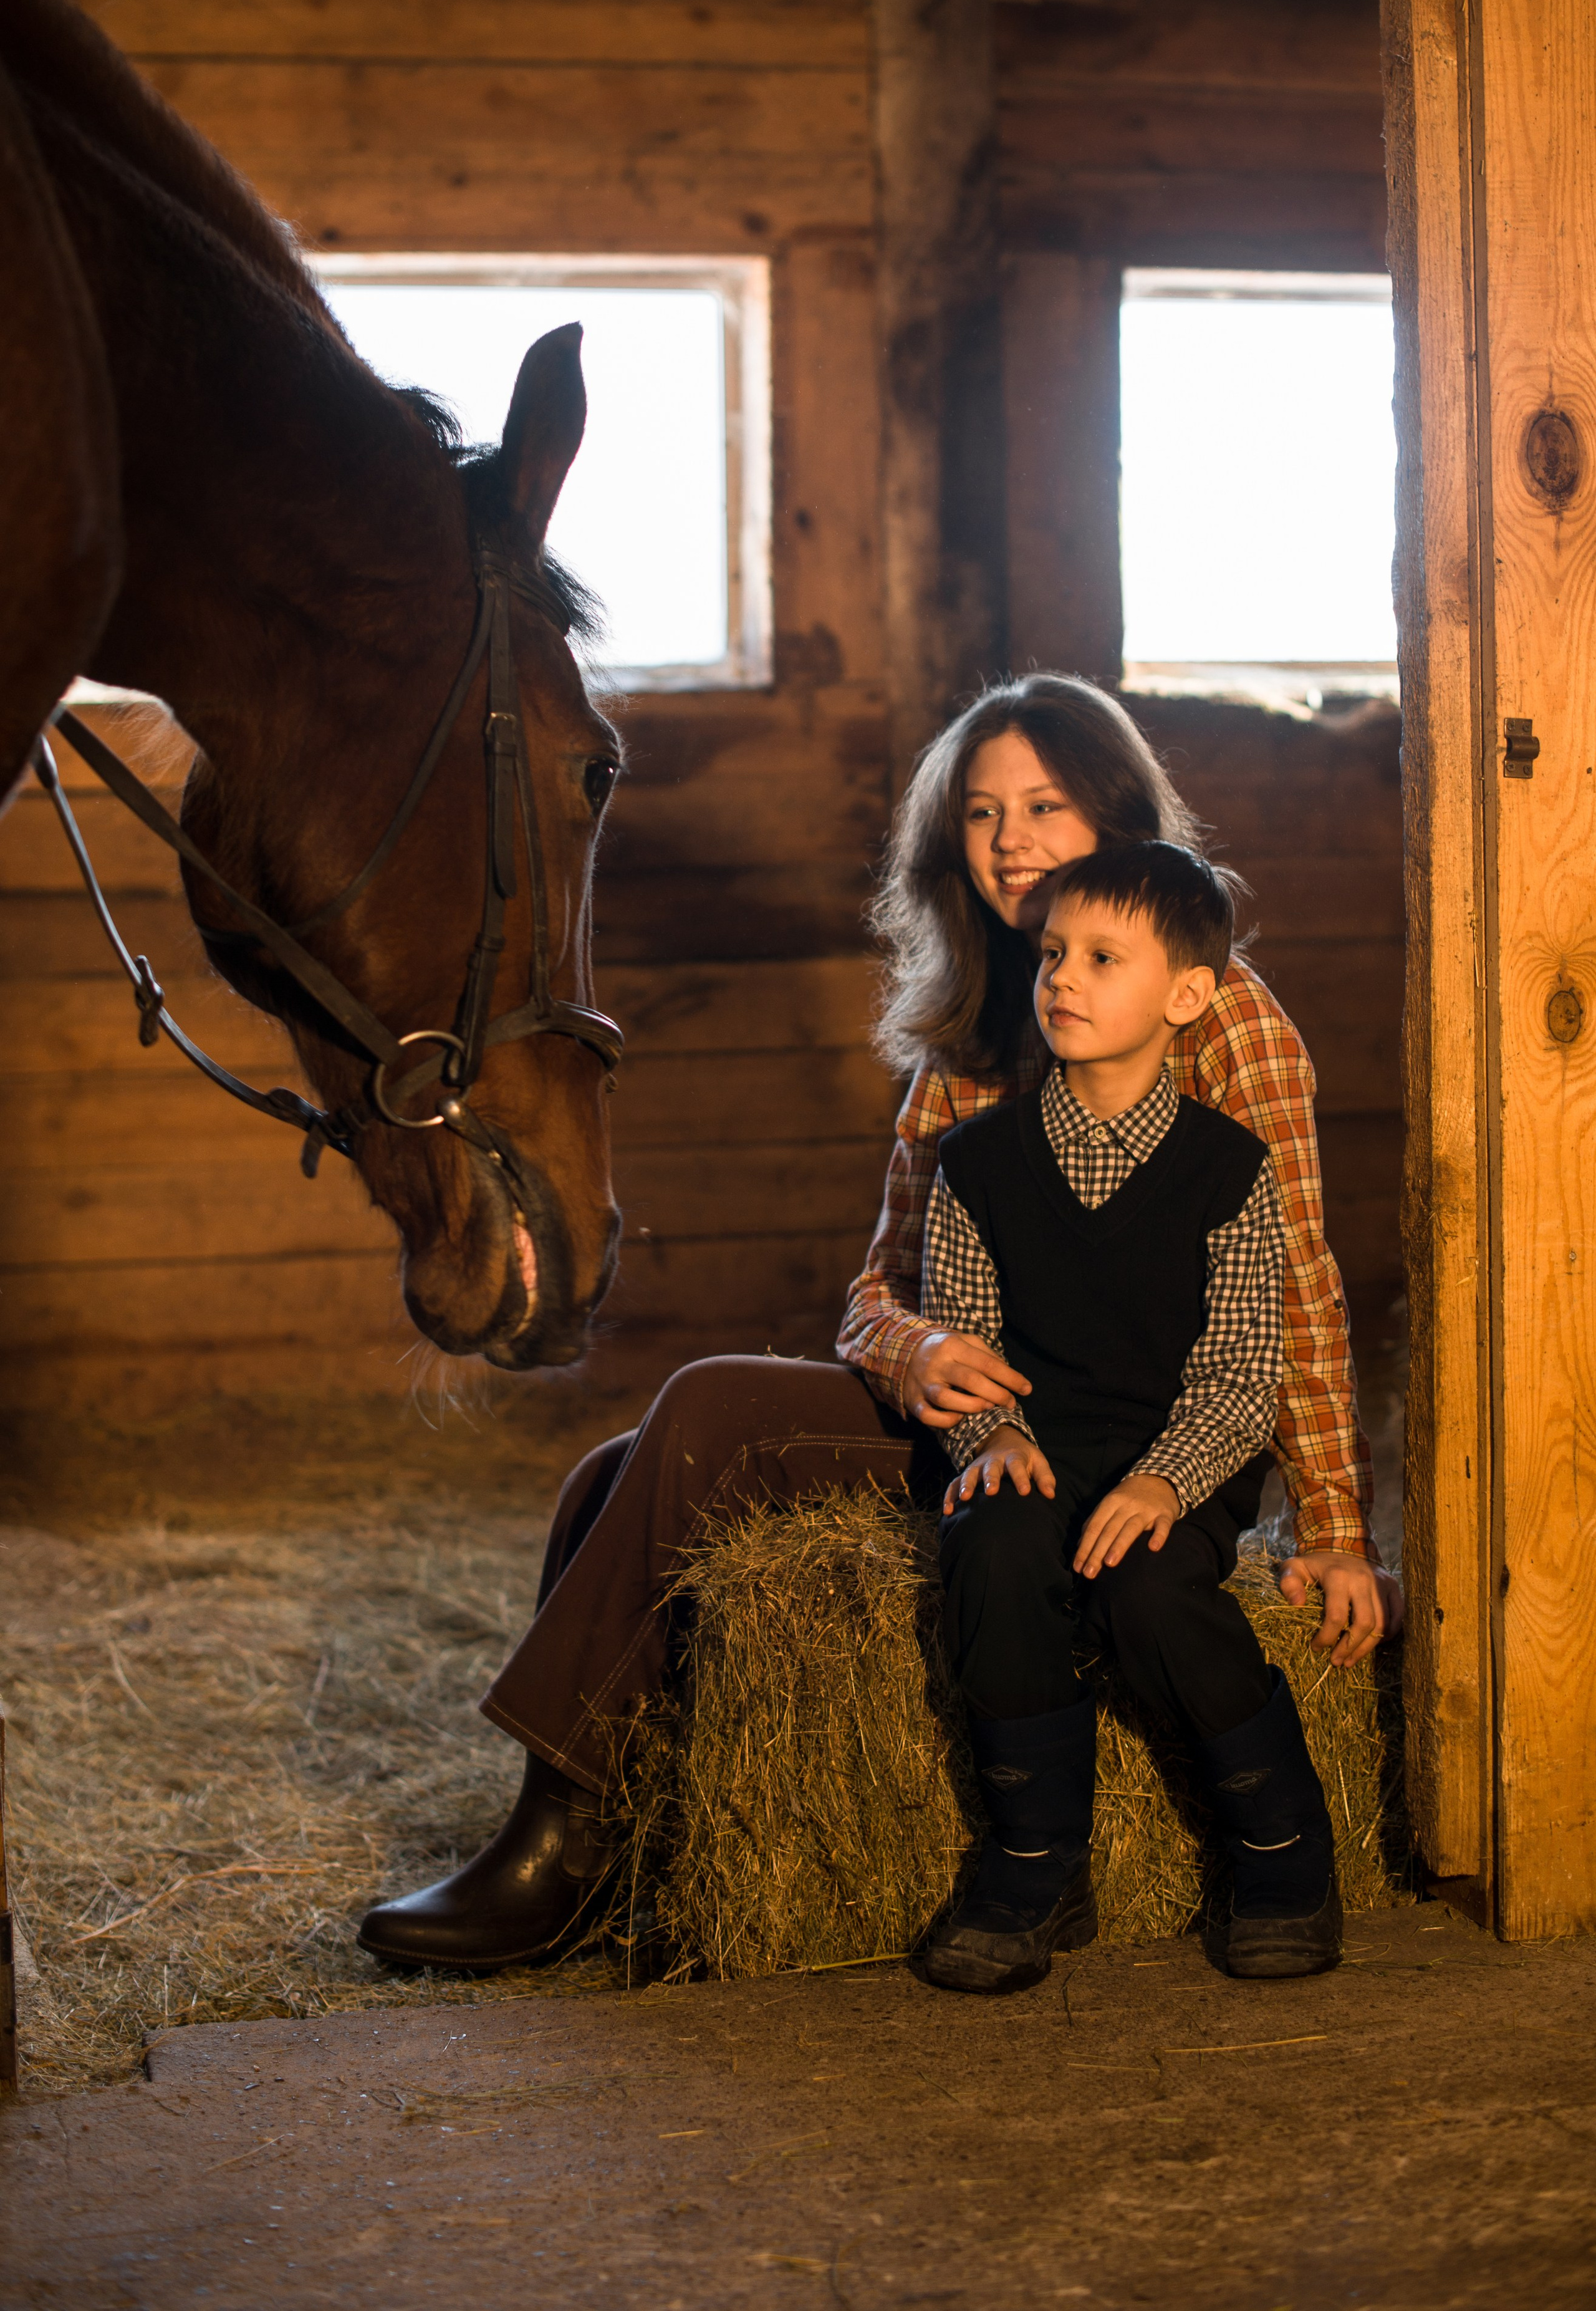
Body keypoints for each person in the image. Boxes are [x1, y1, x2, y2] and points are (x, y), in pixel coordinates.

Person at [357, 674, 1401, 1972]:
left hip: (1141, 1423)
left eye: (1044, 805)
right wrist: (920, 1350)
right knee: (616, 1474)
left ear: (1115, 816)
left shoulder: (1223, 1015)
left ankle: (557, 1858)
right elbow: (877, 1294)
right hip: (984, 1412)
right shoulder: (974, 1025)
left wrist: (1337, 1532)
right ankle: (585, 1832)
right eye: (981, 813)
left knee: (700, 1415)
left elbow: (1295, 1282)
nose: (1009, 839)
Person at [923, 837, 1335, 1994]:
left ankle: (1283, 1848)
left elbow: (1243, 1372)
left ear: (1187, 997)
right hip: (1036, 1446)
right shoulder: (976, 1163)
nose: (1063, 976)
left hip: (1176, 1457)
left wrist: (1165, 1481)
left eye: (1103, 958)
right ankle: (1036, 1859)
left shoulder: (1230, 1169)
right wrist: (990, 1437)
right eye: (1055, 953)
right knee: (995, 1549)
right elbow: (965, 1335)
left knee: (1148, 1585)